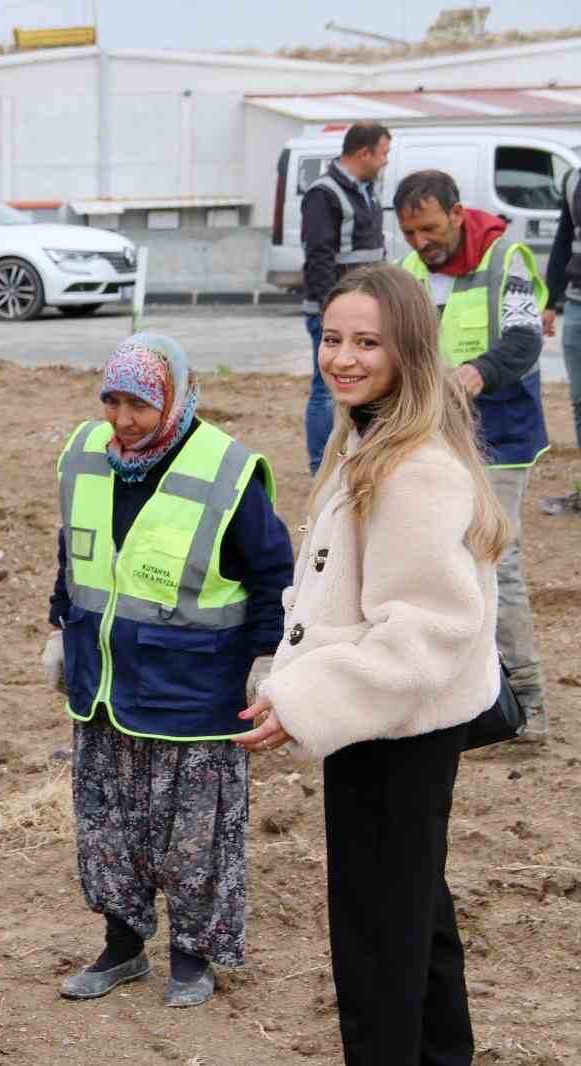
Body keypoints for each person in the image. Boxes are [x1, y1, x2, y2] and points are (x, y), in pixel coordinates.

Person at [236, 262, 508, 1066]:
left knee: (377, 940)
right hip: (387, 720)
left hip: (397, 725)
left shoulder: (412, 467)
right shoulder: (367, 437)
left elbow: (428, 625)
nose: (342, 358)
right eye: (331, 338)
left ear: (410, 352)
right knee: (416, 918)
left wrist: (308, 697)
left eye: (367, 342)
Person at [43, 333, 293, 1009]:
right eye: (112, 401)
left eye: (140, 405)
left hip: (196, 695)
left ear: (177, 401)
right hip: (105, 688)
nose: (122, 421)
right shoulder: (86, 459)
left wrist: (271, 658)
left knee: (194, 838)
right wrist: (59, 626)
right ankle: (122, 948)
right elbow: (75, 553)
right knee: (109, 828)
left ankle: (193, 957)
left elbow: (274, 573)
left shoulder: (225, 473)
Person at [393, 168, 550, 739]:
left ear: (457, 214)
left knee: (496, 561)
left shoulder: (505, 259)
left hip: (500, 439)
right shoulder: (408, 272)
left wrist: (475, 374)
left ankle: (527, 700)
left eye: (429, 229)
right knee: (437, 560)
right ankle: (458, 694)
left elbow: (525, 340)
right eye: (410, 233)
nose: (420, 243)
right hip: (432, 438)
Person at [300, 121, 390, 473]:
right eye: (383, 153)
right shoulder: (324, 193)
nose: (385, 162)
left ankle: (354, 457)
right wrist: (329, 316)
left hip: (365, 310)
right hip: (334, 312)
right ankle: (321, 467)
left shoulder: (368, 189)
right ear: (363, 152)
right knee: (325, 391)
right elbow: (319, 257)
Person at [542, 162, 581, 513]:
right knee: (580, 401)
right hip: (577, 305)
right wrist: (549, 301)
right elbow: (563, 242)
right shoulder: (573, 179)